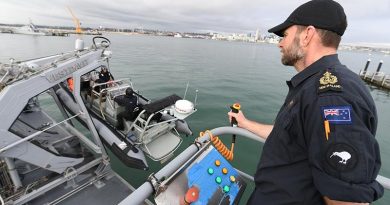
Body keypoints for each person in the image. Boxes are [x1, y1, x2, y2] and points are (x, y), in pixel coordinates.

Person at [228, 0, 383, 204]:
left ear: (307, 35)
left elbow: (344, 197)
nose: (280, 43)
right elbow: (293, 137)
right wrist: (246, 124)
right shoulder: (313, 85)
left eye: (285, 35)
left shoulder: (330, 97)